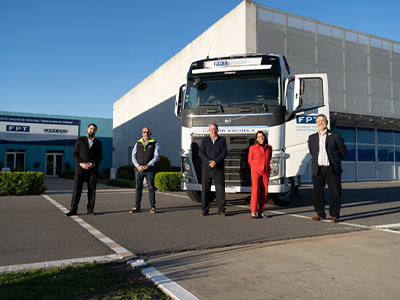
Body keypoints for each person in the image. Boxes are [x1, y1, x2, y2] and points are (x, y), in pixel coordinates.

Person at [308, 114, 347, 223]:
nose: (320, 123)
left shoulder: (335, 135)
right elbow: (312, 152)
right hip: (318, 169)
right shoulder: (312, 138)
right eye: (318, 121)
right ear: (316, 124)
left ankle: (335, 215)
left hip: (332, 169)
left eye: (322, 120)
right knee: (317, 193)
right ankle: (320, 214)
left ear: (327, 122)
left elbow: (343, 151)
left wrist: (335, 160)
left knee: (335, 193)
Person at [66, 123, 103, 216]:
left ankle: (90, 209)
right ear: (87, 129)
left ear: (96, 131)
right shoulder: (80, 140)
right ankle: (73, 209)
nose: (92, 131)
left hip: (92, 169)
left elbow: (100, 157)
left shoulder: (99, 143)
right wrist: (81, 163)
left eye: (94, 129)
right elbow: (75, 154)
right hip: (80, 168)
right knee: (77, 189)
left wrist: (94, 164)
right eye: (91, 129)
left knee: (91, 189)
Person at [199, 123, 228, 216]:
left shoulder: (222, 140)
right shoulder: (205, 140)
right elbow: (201, 153)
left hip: (218, 168)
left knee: (220, 190)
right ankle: (205, 209)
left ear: (218, 130)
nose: (213, 131)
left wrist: (215, 162)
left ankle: (221, 209)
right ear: (209, 130)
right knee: (205, 190)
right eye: (211, 129)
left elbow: (224, 153)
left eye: (215, 129)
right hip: (206, 169)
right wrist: (209, 162)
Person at [130, 127, 160, 214]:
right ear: (142, 133)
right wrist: (138, 166)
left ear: (150, 133)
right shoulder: (137, 143)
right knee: (138, 187)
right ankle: (137, 207)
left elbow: (156, 157)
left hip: (149, 169)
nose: (146, 134)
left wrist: (148, 165)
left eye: (147, 132)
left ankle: (153, 207)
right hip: (138, 170)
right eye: (144, 132)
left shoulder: (155, 143)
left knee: (151, 188)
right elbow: (133, 156)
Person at [248, 131, 272, 218]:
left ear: (264, 137)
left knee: (264, 191)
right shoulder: (252, 148)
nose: (260, 138)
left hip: (266, 171)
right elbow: (250, 161)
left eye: (262, 136)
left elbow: (269, 158)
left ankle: (261, 211)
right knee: (255, 190)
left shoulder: (269, 148)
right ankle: (253, 211)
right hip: (255, 171)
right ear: (256, 139)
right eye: (258, 137)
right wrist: (256, 167)